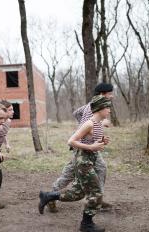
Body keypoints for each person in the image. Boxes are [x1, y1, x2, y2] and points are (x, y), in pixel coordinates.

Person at [38, 95, 112, 232]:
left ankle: (48, 196)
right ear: (100, 108)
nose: (109, 110)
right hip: (83, 161)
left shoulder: (98, 123)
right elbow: (71, 141)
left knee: (77, 193)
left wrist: (102, 140)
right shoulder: (89, 123)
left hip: (90, 160)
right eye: (107, 107)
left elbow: (91, 140)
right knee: (96, 192)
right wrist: (91, 147)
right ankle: (86, 223)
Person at [47, 83, 113, 213]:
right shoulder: (93, 109)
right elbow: (83, 129)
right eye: (110, 93)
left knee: (76, 171)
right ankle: (94, 198)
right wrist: (86, 129)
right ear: (102, 94)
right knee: (80, 171)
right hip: (83, 148)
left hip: (89, 148)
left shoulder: (90, 106)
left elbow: (76, 112)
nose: (112, 96)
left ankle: (95, 198)